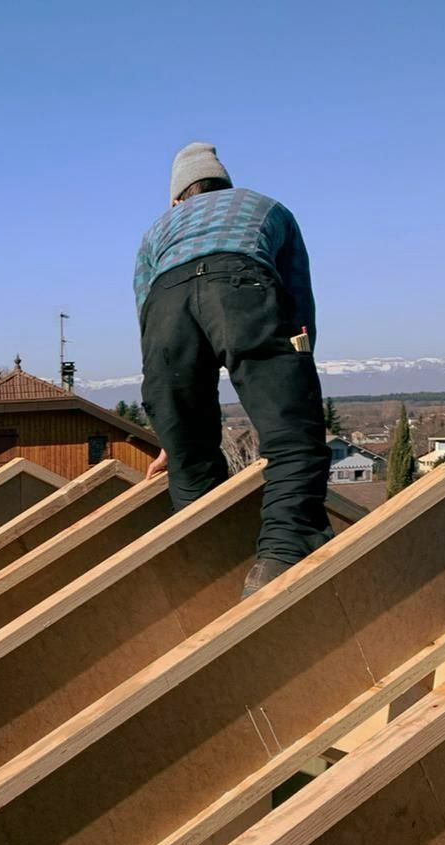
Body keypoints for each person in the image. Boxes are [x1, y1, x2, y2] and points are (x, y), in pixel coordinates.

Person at [135, 142, 331, 598]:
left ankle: (206, 568)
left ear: (176, 197)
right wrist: (294, 374)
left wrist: (171, 433)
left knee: (190, 460)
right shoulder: (267, 208)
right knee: (292, 442)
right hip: (242, 285)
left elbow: (145, 314)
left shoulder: (157, 231)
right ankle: (282, 555)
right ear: (225, 184)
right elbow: (299, 299)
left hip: (166, 309)